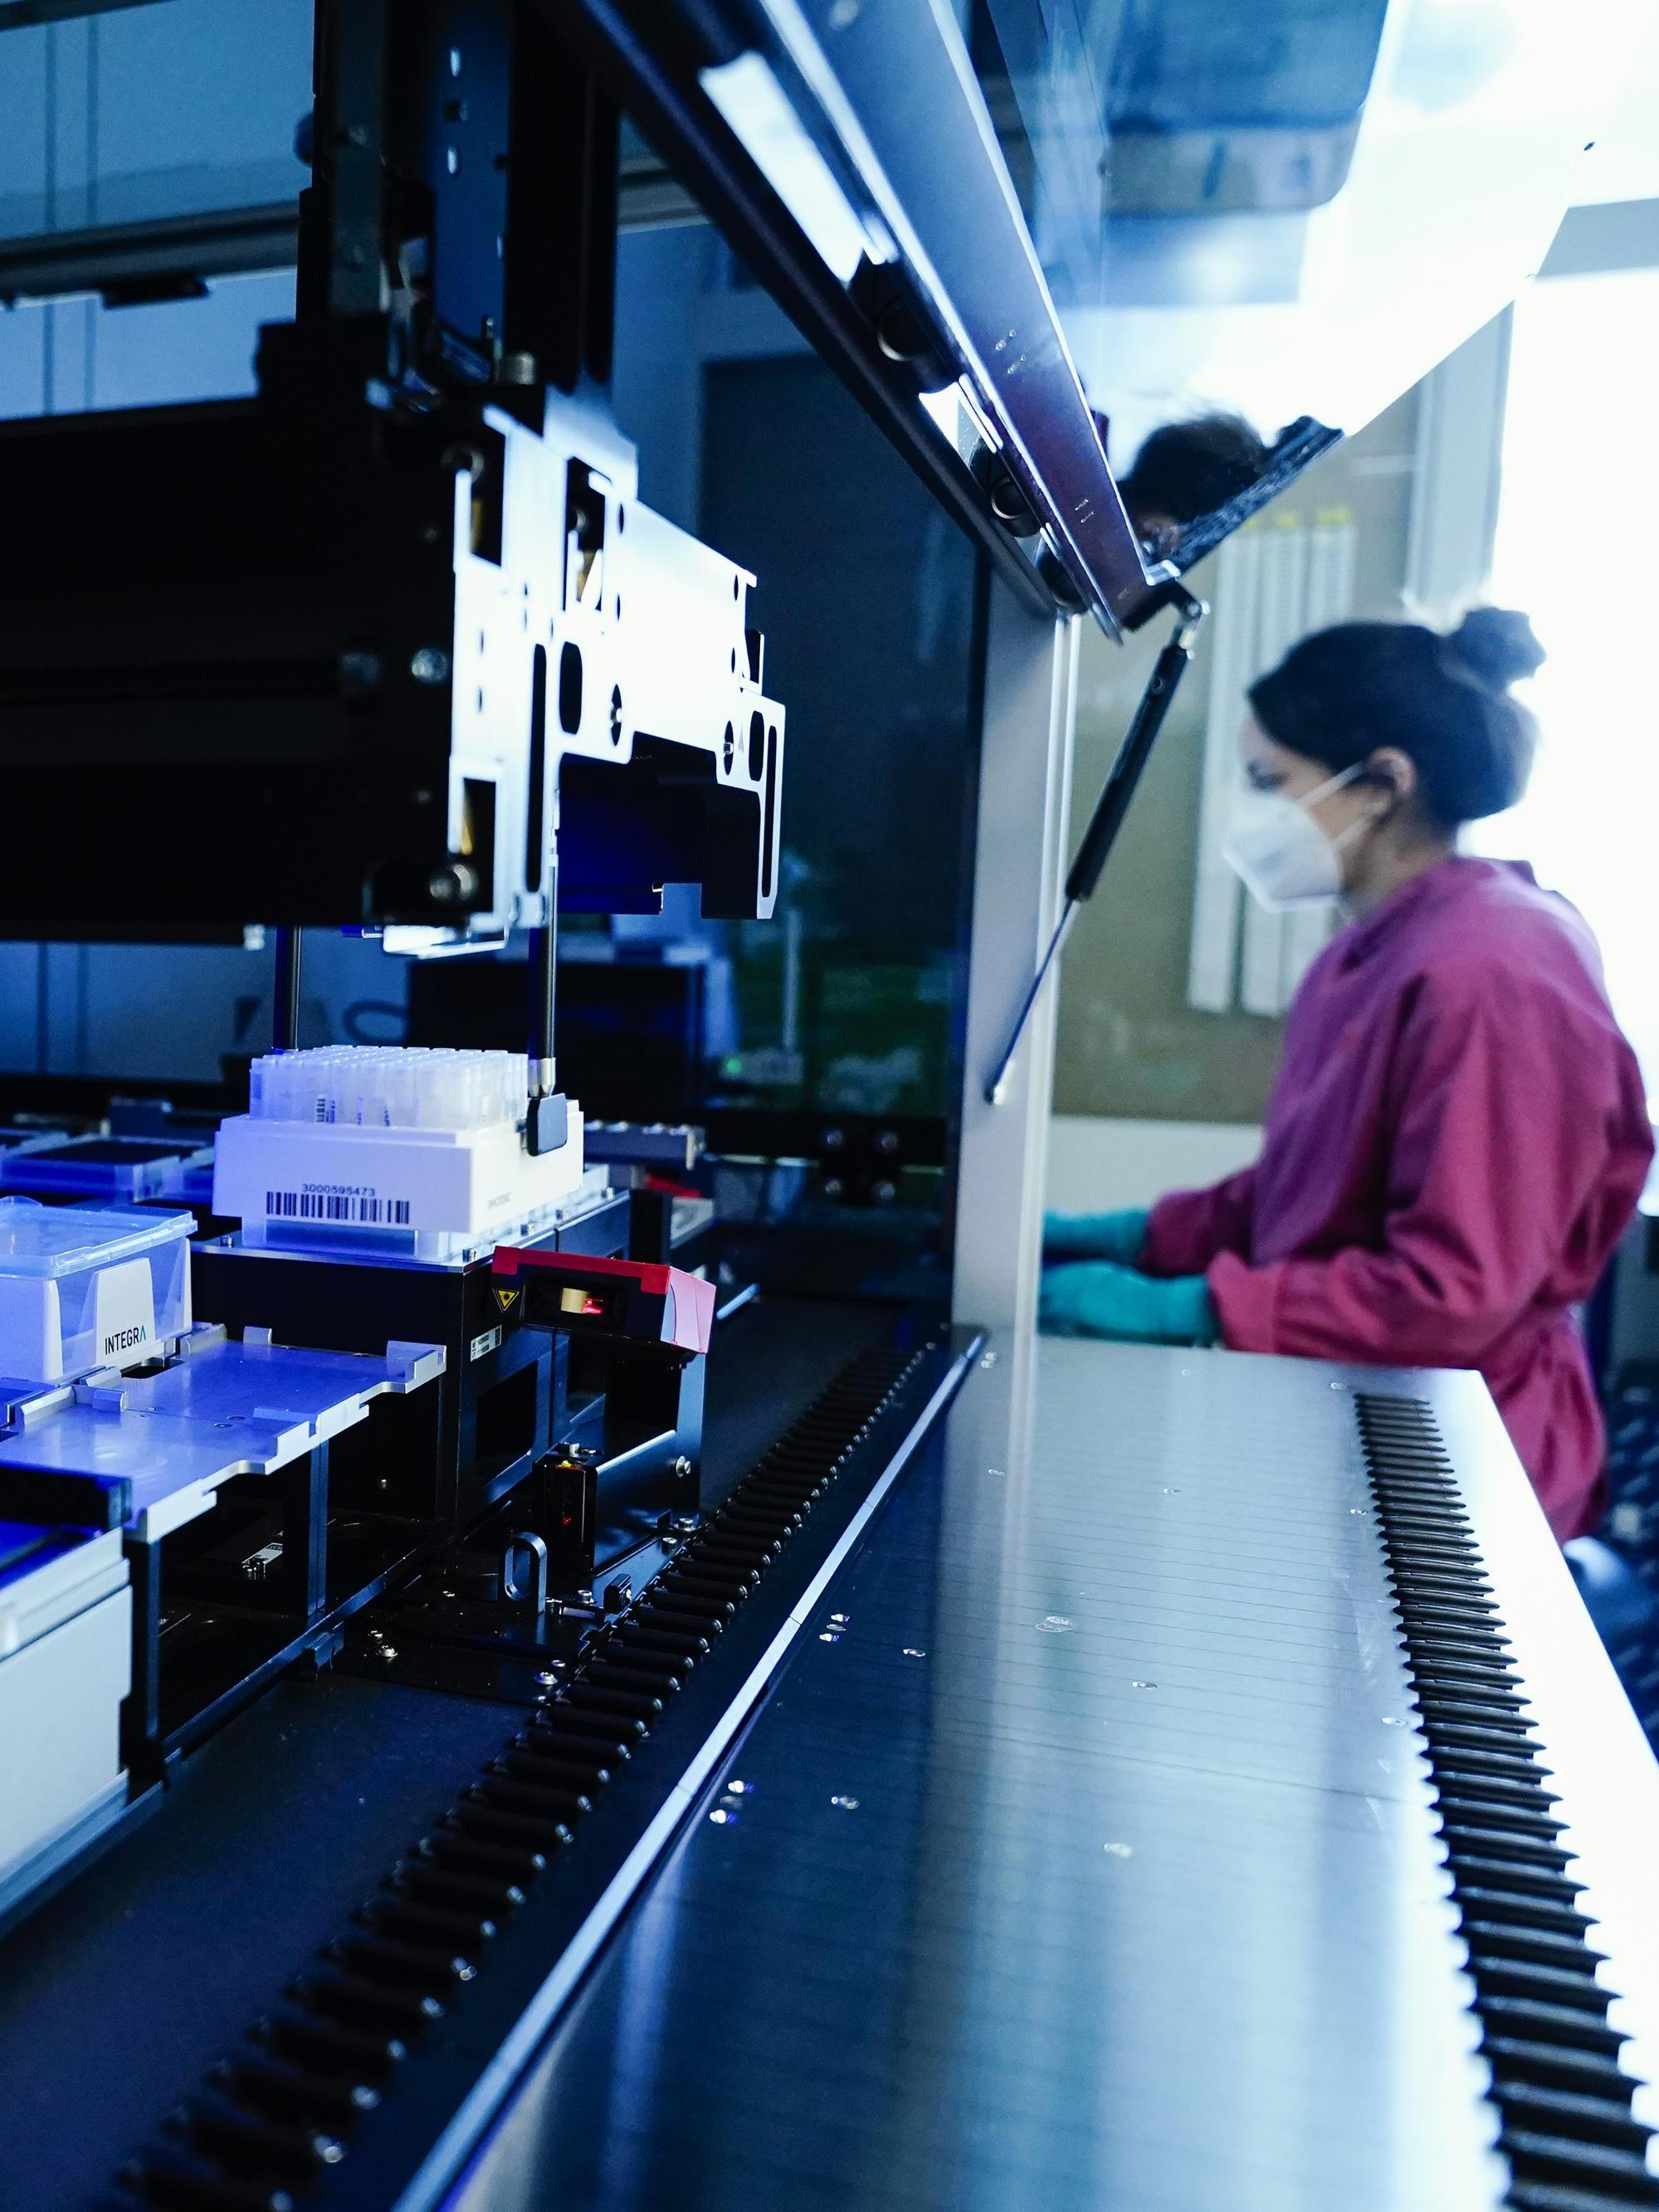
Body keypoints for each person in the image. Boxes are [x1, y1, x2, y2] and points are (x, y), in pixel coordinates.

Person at [1042, 607, 1654, 1542]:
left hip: (1463, 1459)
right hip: (1362, 1410)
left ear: (1381, 783)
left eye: (1267, 781)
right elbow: (1310, 1185)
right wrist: (1129, 1238)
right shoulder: (1371, 952)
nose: (1248, 813)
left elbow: (1448, 1292)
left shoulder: (1496, 968)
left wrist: (1189, 1304)